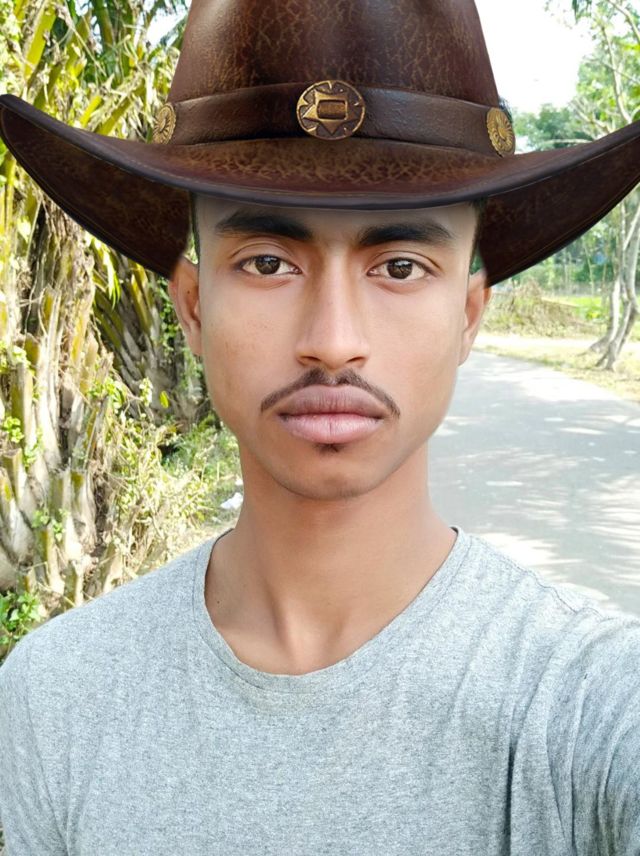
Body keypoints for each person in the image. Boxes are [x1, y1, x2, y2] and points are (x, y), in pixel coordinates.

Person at [0, 0, 639, 854]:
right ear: (194, 307)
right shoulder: (55, 699)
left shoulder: (592, 701)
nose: (333, 341)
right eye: (268, 262)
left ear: (468, 315)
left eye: (400, 266)